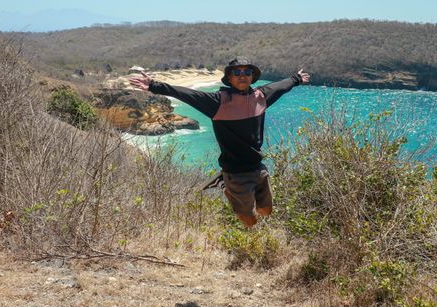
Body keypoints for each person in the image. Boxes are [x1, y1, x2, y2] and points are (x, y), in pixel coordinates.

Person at [129, 57, 310, 227]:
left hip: (258, 167)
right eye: (237, 73)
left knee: (266, 211)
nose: (242, 76)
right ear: (229, 78)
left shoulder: (261, 97)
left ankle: (233, 187)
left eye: (247, 72)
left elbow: (281, 86)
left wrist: (297, 78)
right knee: (250, 222)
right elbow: (187, 94)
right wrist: (154, 85)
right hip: (235, 173)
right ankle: (224, 185)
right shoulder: (217, 102)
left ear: (253, 77)